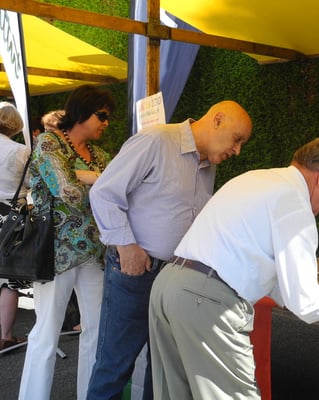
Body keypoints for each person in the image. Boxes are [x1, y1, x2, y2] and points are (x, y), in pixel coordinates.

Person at [149, 137, 319, 399]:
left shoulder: (255, 179)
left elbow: (269, 274)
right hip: (206, 300)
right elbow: (305, 303)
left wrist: (300, 298)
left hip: (168, 285)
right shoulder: (294, 201)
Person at [87, 100, 253, 400]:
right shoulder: (155, 141)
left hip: (176, 278)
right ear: (217, 119)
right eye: (237, 139)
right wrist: (126, 246)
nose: (238, 150)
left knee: (164, 369)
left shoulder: (208, 163)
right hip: (137, 271)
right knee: (115, 366)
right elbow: (104, 193)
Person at [18, 85, 115, 400]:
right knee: (46, 333)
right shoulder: (49, 142)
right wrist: (97, 179)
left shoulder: (100, 155)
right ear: (81, 112)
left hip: (94, 253)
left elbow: (117, 193)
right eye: (101, 115)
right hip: (54, 252)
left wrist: (82, 176)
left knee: (97, 332)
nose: (106, 123)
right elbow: (67, 193)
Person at [0, 102, 31, 351]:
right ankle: (6, 336)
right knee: (9, 278)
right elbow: (33, 183)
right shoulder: (21, 151)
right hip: (11, 216)